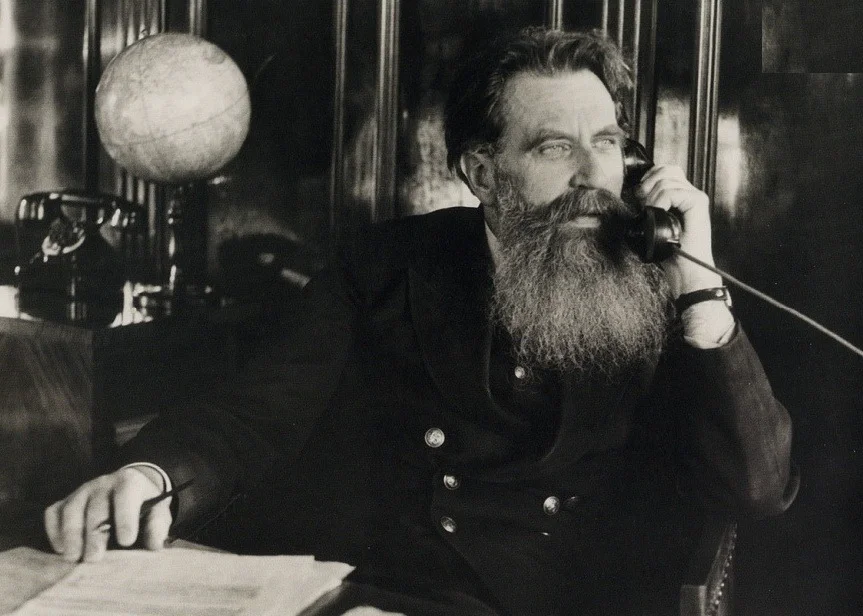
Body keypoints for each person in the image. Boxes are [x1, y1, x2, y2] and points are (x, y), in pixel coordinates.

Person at [44, 27, 798, 615]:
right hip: (405, 595)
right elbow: (258, 410)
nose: (590, 176)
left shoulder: (661, 282)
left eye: (605, 143)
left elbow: (756, 491)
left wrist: (700, 294)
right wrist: (149, 475)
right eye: (553, 147)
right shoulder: (384, 266)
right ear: (480, 172)